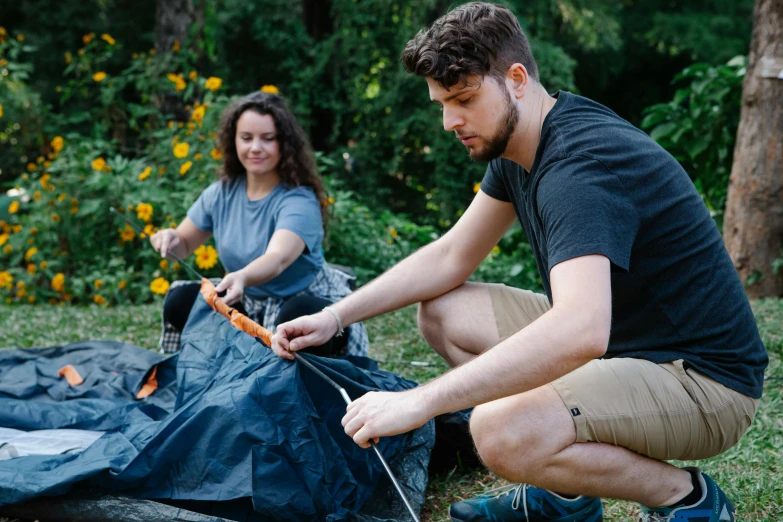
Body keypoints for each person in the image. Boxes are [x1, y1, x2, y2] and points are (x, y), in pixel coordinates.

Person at [271, 3, 768, 522]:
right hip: (624, 345)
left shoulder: (578, 166)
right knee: (444, 312)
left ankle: (684, 497)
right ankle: (567, 494)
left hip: (702, 381)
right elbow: (449, 256)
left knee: (499, 430)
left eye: (463, 98)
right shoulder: (520, 144)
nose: (449, 121)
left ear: (516, 79)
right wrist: (335, 316)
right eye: (441, 102)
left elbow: (581, 330)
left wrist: (420, 400)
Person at [151, 91, 368, 358]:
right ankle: (231, 365)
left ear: (284, 144)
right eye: (246, 138)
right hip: (245, 302)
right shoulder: (221, 193)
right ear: (234, 142)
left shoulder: (299, 199)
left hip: (300, 301)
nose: (255, 148)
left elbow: (277, 258)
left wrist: (241, 276)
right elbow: (183, 245)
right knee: (181, 301)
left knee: (298, 318)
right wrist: (170, 238)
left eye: (267, 139)